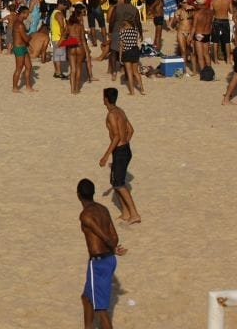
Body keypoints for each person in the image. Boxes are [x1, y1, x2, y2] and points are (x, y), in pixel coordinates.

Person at [77, 178, 127, 329]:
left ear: (78, 195)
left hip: (97, 264)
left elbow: (103, 235)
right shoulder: (103, 209)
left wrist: (111, 245)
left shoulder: (85, 215)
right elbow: (114, 236)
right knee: (86, 297)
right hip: (109, 260)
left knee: (101, 309)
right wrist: (112, 248)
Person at [98, 87, 141, 225]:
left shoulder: (111, 115)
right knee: (115, 182)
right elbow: (131, 130)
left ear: (106, 99)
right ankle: (125, 212)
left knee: (119, 184)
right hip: (125, 149)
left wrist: (106, 156)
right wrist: (125, 142)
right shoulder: (120, 111)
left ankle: (134, 214)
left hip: (120, 151)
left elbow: (116, 136)